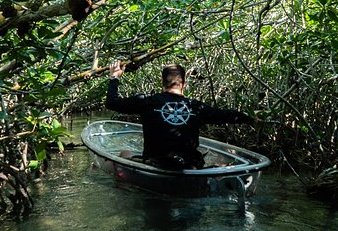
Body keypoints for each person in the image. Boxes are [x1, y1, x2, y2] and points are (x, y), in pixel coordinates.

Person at [105, 61, 253, 170]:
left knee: (124, 154)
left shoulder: (146, 101)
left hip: (155, 164)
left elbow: (112, 102)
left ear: (162, 82)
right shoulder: (197, 106)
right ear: (184, 83)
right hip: (190, 167)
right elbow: (228, 115)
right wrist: (252, 120)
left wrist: (114, 77)